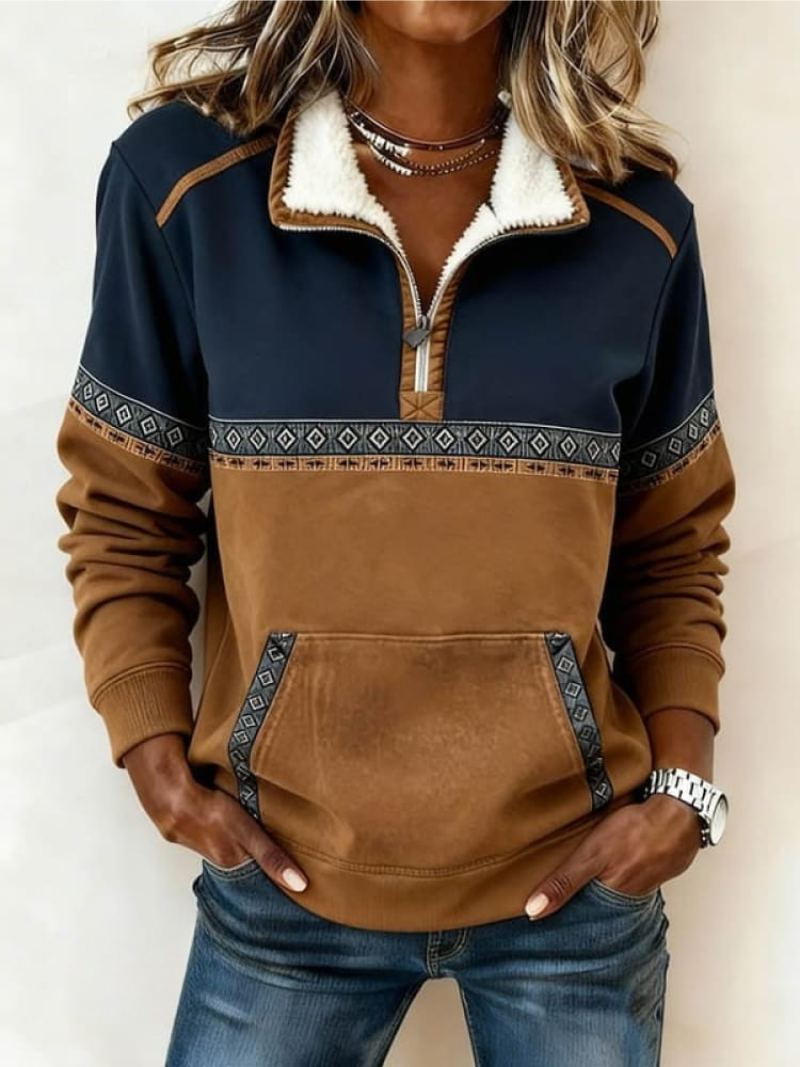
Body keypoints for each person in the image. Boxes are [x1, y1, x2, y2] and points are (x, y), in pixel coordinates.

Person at [53, 1, 736, 1064]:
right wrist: (156, 763)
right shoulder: (187, 185)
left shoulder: (637, 222)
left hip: (573, 899)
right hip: (282, 890)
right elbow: (124, 511)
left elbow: (672, 547)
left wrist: (682, 794)